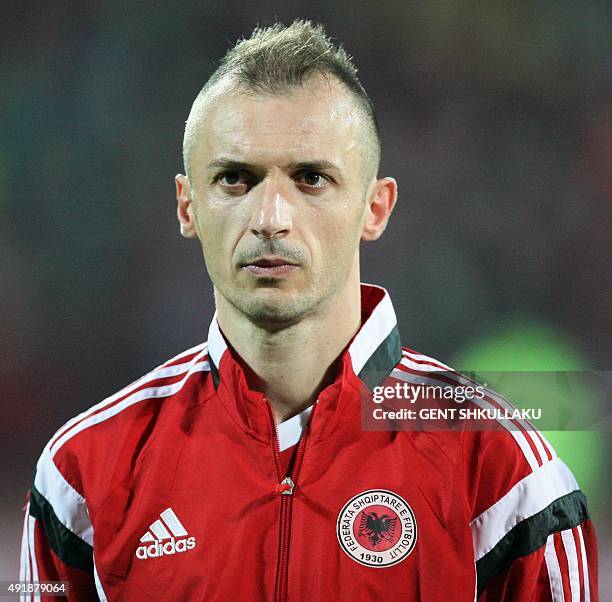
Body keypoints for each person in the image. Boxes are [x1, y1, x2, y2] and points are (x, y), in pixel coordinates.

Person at [20, 20, 598, 601]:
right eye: (235, 179)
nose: (270, 217)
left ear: (376, 207)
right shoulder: (81, 474)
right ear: (187, 205)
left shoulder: (499, 468)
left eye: (311, 178)